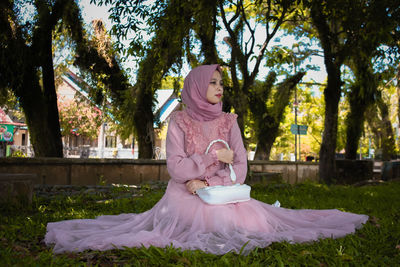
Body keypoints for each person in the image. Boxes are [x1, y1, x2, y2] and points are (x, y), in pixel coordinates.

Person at [45, 64, 368, 255]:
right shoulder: (179, 121)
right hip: (185, 192)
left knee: (251, 222)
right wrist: (208, 161)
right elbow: (176, 166)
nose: (219, 88)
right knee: (213, 223)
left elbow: (241, 169)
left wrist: (217, 178)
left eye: (221, 83)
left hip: (223, 190)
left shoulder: (229, 122)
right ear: (198, 86)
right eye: (212, 82)